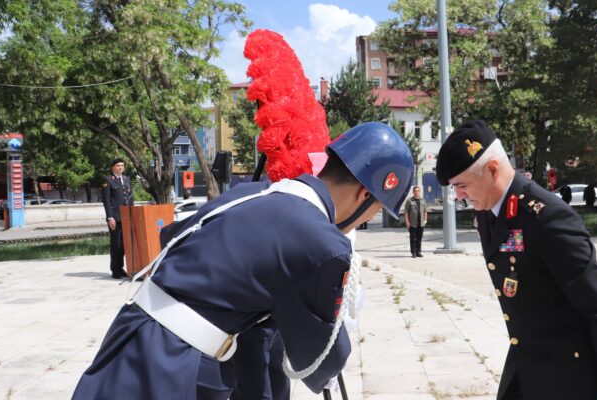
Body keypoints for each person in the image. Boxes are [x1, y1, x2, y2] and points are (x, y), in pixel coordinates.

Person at [72, 122, 413, 400]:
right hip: (172, 366)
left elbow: (174, 235)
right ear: (365, 195)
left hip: (132, 333)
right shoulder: (324, 243)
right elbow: (319, 356)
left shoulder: (252, 193)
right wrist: (336, 343)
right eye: (377, 209)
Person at [435, 120, 597, 400]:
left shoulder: (547, 218)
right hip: (527, 363)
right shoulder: (488, 210)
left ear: (492, 170)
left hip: (569, 377)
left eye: (462, 186)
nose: (459, 196)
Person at [101, 158, 133, 279]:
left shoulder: (126, 179)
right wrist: (110, 217)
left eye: (122, 165)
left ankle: (120, 268)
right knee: (116, 244)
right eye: (118, 165)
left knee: (124, 244)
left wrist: (132, 213)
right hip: (115, 218)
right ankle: (115, 269)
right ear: (113, 167)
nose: (121, 167)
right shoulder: (108, 180)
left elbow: (130, 198)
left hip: (126, 217)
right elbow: (106, 200)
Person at [404, 185, 427, 257]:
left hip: (421, 223)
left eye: (418, 191)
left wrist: (425, 220)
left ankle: (418, 252)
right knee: (413, 238)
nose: (416, 192)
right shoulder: (409, 201)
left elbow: (425, 211)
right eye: (415, 191)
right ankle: (413, 252)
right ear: (413, 192)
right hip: (412, 223)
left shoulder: (423, 200)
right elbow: (406, 212)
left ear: (419, 192)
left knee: (419, 238)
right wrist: (407, 222)